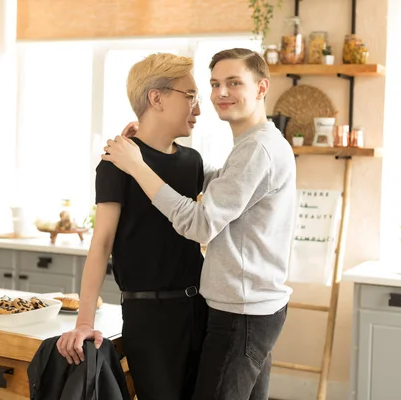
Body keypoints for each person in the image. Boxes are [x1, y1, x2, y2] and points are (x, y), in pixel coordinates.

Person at [102, 48, 296, 400]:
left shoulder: (258, 150)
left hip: (241, 313)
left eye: (234, 82)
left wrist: (139, 166)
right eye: (215, 84)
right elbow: (224, 185)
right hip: (251, 307)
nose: (220, 93)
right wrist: (150, 152)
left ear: (261, 88)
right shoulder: (256, 145)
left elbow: (201, 225)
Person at [57, 53, 209, 400]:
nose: (199, 108)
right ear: (157, 97)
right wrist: (84, 322)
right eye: (191, 96)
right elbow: (101, 243)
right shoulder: (115, 163)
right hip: (148, 317)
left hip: (200, 310)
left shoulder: (193, 161)